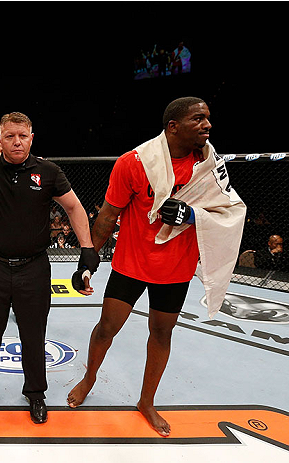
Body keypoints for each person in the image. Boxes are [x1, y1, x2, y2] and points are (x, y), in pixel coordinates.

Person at [66, 97, 246, 437]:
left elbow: (228, 210)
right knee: (107, 328)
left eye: (208, 118)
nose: (207, 125)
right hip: (131, 264)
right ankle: (89, 379)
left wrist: (192, 215)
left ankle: (146, 401)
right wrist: (88, 256)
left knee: (161, 334)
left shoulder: (209, 166)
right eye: (198, 119)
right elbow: (107, 215)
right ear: (173, 126)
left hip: (176, 268)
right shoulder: (134, 163)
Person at [0, 111, 100, 424]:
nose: (16, 142)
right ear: (0, 139)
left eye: (22, 136)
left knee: (34, 333)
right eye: (9, 136)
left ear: (31, 138)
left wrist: (88, 250)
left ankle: (36, 392)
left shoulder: (48, 171)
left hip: (34, 267)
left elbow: (74, 207)